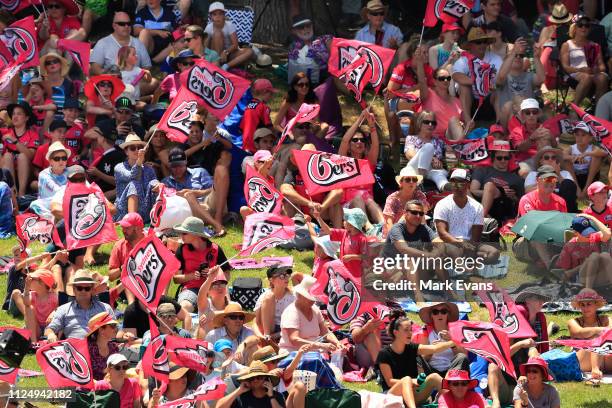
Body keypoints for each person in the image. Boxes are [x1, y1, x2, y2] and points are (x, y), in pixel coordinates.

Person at [376, 312, 453, 408]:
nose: (410, 333)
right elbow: (389, 382)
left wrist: (453, 342)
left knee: (434, 377)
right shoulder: (384, 354)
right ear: (396, 332)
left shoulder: (412, 347)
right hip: (392, 397)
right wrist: (411, 381)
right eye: (406, 330)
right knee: (406, 379)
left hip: (413, 394)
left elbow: (434, 348)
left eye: (411, 330)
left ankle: (455, 404)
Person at [433, 169, 500, 264]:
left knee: (493, 253)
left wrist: (469, 246)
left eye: (460, 183)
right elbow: (442, 233)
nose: (456, 186)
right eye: (453, 182)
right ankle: (468, 265)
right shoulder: (442, 204)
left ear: (468, 184)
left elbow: (475, 237)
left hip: (469, 243)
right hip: (449, 242)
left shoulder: (477, 207)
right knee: (456, 251)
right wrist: (460, 243)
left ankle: (465, 261)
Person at [160, 147, 225, 236]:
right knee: (188, 195)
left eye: (180, 165)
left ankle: (217, 219)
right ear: (169, 166)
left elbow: (214, 189)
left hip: (209, 204)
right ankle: (216, 224)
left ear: (186, 162)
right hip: (189, 213)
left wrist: (197, 193)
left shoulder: (199, 172)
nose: (177, 169)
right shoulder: (166, 182)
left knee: (221, 170)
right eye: (174, 166)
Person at [173, 217, 231, 312]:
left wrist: (213, 275)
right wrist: (191, 276)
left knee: (226, 309)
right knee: (184, 308)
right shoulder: (182, 250)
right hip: (192, 289)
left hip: (214, 288)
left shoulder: (215, 249)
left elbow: (227, 276)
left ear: (195, 234)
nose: (181, 236)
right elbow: (176, 279)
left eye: (184, 233)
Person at [90, 12, 154, 96]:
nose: (126, 26)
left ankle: (126, 97)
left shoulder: (138, 43)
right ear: (114, 26)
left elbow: (147, 66)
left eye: (128, 24)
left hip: (134, 83)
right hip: (111, 83)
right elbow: (95, 67)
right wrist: (109, 76)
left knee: (155, 82)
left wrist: (137, 79)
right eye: (122, 24)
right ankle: (128, 97)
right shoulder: (103, 43)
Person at [338, 109, 382, 225]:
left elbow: (376, 145)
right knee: (359, 198)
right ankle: (368, 228)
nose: (359, 142)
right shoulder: (344, 161)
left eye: (362, 140)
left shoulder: (368, 162)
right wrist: (360, 118)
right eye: (355, 140)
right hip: (348, 206)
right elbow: (344, 141)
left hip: (369, 204)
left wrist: (372, 125)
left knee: (370, 201)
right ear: (349, 145)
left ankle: (384, 228)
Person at [45, 269, 115, 341]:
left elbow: (115, 330)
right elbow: (50, 329)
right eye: (79, 288)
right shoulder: (63, 309)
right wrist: (51, 334)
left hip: (101, 348)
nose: (83, 291)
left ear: (92, 289)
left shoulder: (105, 308)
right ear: (74, 289)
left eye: (87, 288)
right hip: (74, 349)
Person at [278, 275, 342, 353]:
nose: (313, 301)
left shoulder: (315, 309)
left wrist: (337, 343)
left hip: (314, 352)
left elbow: (325, 331)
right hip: (294, 353)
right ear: (300, 296)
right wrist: (320, 345)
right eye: (309, 298)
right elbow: (294, 340)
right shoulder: (291, 312)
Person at [452, 27, 502, 124]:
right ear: (470, 45)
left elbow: (500, 78)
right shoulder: (464, 60)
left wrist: (489, 84)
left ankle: (499, 125)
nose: (482, 45)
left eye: (484, 42)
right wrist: (478, 82)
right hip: (471, 103)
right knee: (463, 87)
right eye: (478, 42)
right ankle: (468, 122)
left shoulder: (496, 58)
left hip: (489, 101)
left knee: (498, 91)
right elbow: (456, 75)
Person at [414, 48, 463, 140]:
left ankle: (460, 150)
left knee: (453, 121)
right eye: (441, 78)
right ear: (434, 81)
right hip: (432, 139)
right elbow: (421, 81)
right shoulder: (428, 94)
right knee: (453, 121)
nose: (445, 81)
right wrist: (420, 62)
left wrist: (466, 125)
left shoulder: (457, 102)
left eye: (448, 78)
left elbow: (464, 126)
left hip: (450, 139)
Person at [560, 15, 608, 106]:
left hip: (593, 72)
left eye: (587, 25)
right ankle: (574, 108)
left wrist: (595, 70)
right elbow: (565, 66)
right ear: (574, 27)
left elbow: (602, 66)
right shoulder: (567, 45)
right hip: (575, 73)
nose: (584, 28)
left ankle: (598, 109)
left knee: (603, 78)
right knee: (586, 77)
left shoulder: (595, 45)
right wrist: (580, 70)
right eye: (580, 25)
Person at [470, 140, 524, 222]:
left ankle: (480, 219)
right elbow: (473, 191)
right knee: (464, 188)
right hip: (480, 204)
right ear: (492, 157)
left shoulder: (517, 179)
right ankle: (484, 216)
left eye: (506, 158)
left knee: (489, 186)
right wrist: (495, 192)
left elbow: (521, 201)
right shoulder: (482, 170)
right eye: (499, 158)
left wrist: (512, 196)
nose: (503, 161)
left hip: (503, 209)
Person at [496, 38, 545, 127]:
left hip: (528, 117)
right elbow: (501, 77)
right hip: (507, 117)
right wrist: (513, 52)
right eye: (515, 55)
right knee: (510, 105)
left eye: (521, 56)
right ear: (508, 58)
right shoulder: (504, 76)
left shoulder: (529, 75)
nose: (518, 57)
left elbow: (541, 79)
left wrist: (536, 57)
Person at [555, 214, 612, 289]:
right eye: (585, 233)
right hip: (581, 279)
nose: (589, 234)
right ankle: (588, 290)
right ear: (575, 233)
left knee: (605, 255)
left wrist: (592, 218)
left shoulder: (594, 236)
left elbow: (607, 234)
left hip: (599, 277)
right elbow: (565, 271)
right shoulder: (569, 246)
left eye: (589, 230)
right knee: (594, 255)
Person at [567, 289, 612, 379]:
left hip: (604, 357)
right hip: (582, 359)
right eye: (582, 305)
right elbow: (579, 332)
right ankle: (595, 369)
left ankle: (598, 368)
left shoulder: (605, 319)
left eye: (589, 304)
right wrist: (600, 330)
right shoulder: (573, 322)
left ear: (596, 305)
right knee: (596, 338)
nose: (585, 308)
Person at [416, 303, 469, 377]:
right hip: (431, 371)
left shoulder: (456, 330)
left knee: (462, 357)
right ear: (431, 315)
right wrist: (431, 350)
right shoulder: (426, 330)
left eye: (443, 311)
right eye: (435, 312)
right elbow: (423, 358)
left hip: (452, 370)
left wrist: (452, 342)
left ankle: (448, 382)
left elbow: (464, 356)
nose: (439, 315)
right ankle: (421, 386)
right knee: (417, 358)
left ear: (448, 314)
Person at [113, 134, 158, 222]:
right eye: (133, 148)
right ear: (126, 152)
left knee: (155, 185)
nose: (137, 150)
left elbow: (154, 181)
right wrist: (139, 162)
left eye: (140, 147)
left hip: (144, 210)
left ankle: (157, 221)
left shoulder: (149, 169)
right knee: (134, 184)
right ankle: (132, 222)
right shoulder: (119, 167)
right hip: (123, 213)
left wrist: (158, 185)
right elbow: (133, 177)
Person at [403, 111, 449, 192]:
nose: (430, 125)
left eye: (433, 123)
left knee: (439, 175)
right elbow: (410, 155)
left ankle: (447, 189)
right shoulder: (411, 138)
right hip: (415, 167)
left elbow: (453, 150)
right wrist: (431, 158)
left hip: (433, 170)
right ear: (420, 123)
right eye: (427, 122)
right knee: (428, 146)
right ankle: (420, 181)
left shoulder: (439, 141)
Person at [316, 207, 368, 278]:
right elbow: (328, 230)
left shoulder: (362, 239)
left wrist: (352, 257)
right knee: (328, 267)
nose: (343, 221)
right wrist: (318, 218)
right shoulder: (344, 233)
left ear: (351, 225)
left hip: (356, 275)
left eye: (346, 220)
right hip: (344, 271)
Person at [1, 101, 39, 197]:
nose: (15, 116)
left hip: (27, 174)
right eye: (13, 114)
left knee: (22, 156)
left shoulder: (33, 135)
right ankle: (12, 193)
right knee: (7, 156)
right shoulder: (5, 132)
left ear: (26, 118)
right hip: (8, 171)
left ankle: (21, 194)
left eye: (19, 114)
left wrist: (15, 141)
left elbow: (31, 156)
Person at [524, 146, 578, 213]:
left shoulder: (564, 173)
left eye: (553, 157)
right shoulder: (533, 174)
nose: (550, 160)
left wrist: (558, 174)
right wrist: (547, 179)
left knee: (567, 183)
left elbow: (572, 189)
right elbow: (528, 191)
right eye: (546, 158)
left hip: (563, 204)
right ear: (541, 161)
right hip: (542, 205)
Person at [509, 98, 555, 176]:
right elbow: (520, 148)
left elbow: (555, 147)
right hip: (526, 161)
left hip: (546, 159)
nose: (531, 115)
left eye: (534, 112)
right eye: (527, 112)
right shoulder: (517, 131)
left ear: (538, 114)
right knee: (524, 171)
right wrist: (532, 138)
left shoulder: (546, 128)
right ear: (523, 115)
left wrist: (551, 137)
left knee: (565, 161)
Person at [10, 268, 57, 341]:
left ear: (42, 283)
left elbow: (60, 309)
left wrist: (54, 312)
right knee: (29, 308)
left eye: (32, 279)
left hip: (49, 329)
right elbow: (26, 302)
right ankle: (34, 342)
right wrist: (26, 288)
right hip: (35, 328)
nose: (29, 281)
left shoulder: (53, 297)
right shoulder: (33, 295)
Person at [108, 213, 146, 303]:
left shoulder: (151, 242)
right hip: (127, 286)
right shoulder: (119, 246)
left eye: (127, 228)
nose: (123, 230)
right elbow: (110, 276)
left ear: (137, 228)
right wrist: (123, 268)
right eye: (122, 227)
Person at [204, 2, 254, 70]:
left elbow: (235, 45)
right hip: (215, 53)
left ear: (224, 15)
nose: (217, 16)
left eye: (220, 14)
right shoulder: (209, 28)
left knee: (249, 51)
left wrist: (226, 52)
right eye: (214, 14)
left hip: (229, 54)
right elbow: (205, 45)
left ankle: (225, 66)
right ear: (211, 17)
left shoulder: (229, 25)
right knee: (218, 33)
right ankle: (217, 64)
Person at [216, 361, 286, 408]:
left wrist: (271, 397)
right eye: (252, 378)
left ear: (266, 379)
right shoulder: (241, 396)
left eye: (259, 377)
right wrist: (239, 390)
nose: (255, 380)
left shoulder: (277, 396)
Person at [563, 122, 606, 196]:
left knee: (596, 157)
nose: (579, 138)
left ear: (590, 138)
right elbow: (561, 155)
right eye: (577, 135)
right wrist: (573, 158)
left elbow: (604, 152)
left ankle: (586, 189)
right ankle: (578, 189)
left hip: (589, 177)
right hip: (575, 177)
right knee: (566, 161)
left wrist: (586, 154)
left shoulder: (591, 147)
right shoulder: (572, 148)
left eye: (583, 135)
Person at [383, 167, 429, 236]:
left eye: (414, 180)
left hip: (414, 231)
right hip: (395, 233)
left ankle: (424, 238)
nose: (411, 182)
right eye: (407, 179)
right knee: (410, 213)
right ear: (400, 183)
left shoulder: (419, 195)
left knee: (419, 212)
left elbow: (425, 208)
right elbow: (389, 224)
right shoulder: (392, 199)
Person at [86, 120, 125, 200]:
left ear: (102, 139)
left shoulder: (117, 155)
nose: (97, 138)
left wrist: (98, 173)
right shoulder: (111, 154)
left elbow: (118, 181)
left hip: (110, 199)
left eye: (98, 136)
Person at [254, 265, 296, 340]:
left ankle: (270, 339)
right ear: (271, 280)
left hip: (287, 329)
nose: (286, 278)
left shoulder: (292, 296)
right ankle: (267, 337)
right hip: (268, 329)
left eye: (287, 275)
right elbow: (256, 322)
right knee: (269, 297)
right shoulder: (265, 296)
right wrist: (260, 336)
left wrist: (278, 334)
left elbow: (297, 322)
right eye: (282, 276)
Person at [287, 15, 332, 85]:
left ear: (312, 26)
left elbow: (335, 54)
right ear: (294, 31)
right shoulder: (294, 46)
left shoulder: (324, 39)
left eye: (308, 26)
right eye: (301, 27)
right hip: (308, 79)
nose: (306, 29)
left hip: (329, 74)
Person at [134, 0, 181, 64]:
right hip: (149, 47)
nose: (150, 1)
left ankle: (152, 62)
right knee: (144, 32)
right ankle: (139, 63)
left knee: (181, 41)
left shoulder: (170, 13)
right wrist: (157, 32)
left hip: (165, 47)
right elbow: (135, 30)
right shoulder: (142, 12)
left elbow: (175, 32)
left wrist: (181, 30)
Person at [240, 79, 276, 154]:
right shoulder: (263, 107)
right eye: (270, 93)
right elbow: (269, 127)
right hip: (257, 146)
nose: (272, 96)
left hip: (245, 145)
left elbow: (241, 127)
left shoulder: (248, 106)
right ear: (264, 92)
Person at [40, 51, 75, 119]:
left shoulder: (69, 84)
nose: (52, 64)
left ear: (60, 64)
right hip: (44, 119)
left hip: (63, 121)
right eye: (48, 63)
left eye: (55, 61)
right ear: (45, 67)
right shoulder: (41, 83)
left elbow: (71, 106)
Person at [86, 312, 121, 381]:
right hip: (94, 388)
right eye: (113, 326)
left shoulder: (114, 347)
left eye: (116, 326)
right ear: (101, 330)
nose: (116, 329)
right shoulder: (89, 349)